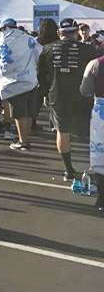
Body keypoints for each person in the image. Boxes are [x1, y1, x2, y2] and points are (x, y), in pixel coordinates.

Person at [39, 18, 98, 180]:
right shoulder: (88, 49)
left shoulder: (47, 49)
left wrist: (45, 95)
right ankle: (93, 168)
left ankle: (69, 170)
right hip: (83, 96)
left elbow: (41, 76)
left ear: (59, 33)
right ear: (76, 32)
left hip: (57, 97)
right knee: (88, 132)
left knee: (62, 131)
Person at [0, 18, 42, 150]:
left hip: (15, 82)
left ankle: (23, 141)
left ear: (4, 28)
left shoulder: (3, 39)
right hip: (31, 80)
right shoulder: (28, 38)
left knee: (19, 113)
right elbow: (40, 53)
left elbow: (5, 63)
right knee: (27, 112)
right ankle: (26, 139)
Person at [80, 53, 104, 212]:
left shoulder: (95, 64)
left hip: (101, 110)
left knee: (100, 154)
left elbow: (85, 90)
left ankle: (102, 198)